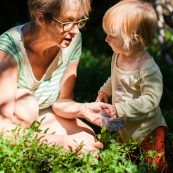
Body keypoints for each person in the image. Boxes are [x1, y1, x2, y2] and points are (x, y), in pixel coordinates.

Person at [0, 0, 113, 153]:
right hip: (12, 120)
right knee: (26, 104)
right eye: (66, 22)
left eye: (79, 21)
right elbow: (2, 128)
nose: (74, 30)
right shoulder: (8, 50)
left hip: (42, 115)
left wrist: (82, 109)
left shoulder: (73, 40)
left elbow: (62, 100)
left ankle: (38, 152)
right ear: (40, 18)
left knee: (88, 139)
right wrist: (59, 143)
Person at [96, 0, 169, 171]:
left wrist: (120, 109)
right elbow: (114, 77)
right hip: (124, 125)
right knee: (122, 161)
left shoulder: (148, 69)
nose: (106, 39)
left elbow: (151, 100)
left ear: (134, 38)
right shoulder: (118, 55)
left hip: (147, 128)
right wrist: (105, 90)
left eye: (112, 35)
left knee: (155, 164)